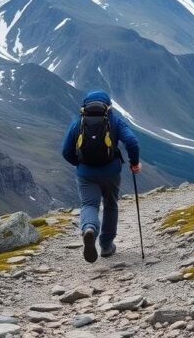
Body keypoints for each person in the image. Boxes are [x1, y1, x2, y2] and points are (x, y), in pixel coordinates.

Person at [61, 90, 141, 263]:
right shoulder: (115, 121)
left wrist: (80, 164)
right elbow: (132, 142)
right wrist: (134, 163)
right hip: (111, 172)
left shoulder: (78, 123)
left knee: (89, 204)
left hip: (86, 174)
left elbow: (66, 151)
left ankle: (89, 228)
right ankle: (106, 246)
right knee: (111, 205)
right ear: (108, 106)